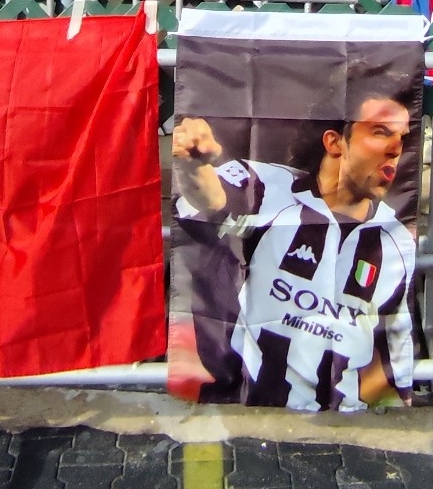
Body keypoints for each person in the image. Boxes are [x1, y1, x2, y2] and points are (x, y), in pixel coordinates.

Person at [170, 84, 416, 411]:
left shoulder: (396, 239)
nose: (395, 149)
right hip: (246, 412)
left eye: (402, 138)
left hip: (342, 424)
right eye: (380, 132)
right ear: (335, 142)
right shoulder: (267, 186)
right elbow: (212, 199)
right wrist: (194, 164)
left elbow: (392, 354)